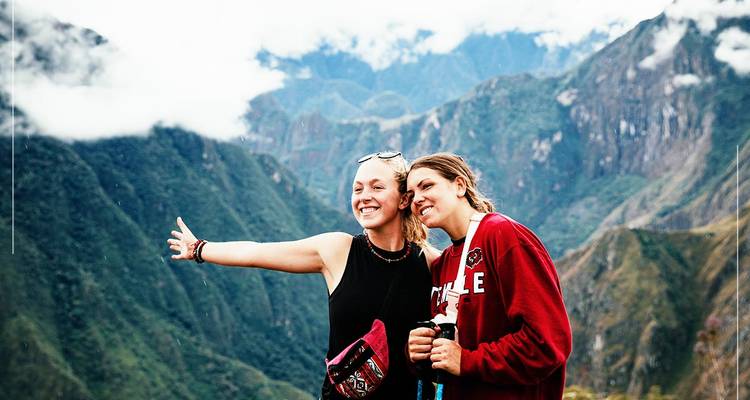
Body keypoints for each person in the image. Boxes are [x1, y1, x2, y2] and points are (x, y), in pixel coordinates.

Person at [168, 151, 438, 400]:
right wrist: (200, 249)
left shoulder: (428, 262)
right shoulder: (337, 250)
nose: (364, 196)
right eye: (357, 189)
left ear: (404, 199)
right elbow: (256, 253)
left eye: (377, 187)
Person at [405, 152, 572, 400]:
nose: (417, 199)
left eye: (426, 186)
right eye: (410, 196)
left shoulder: (502, 236)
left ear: (459, 185)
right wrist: (421, 352)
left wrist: (467, 361)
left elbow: (547, 342)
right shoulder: (442, 264)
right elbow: (454, 356)